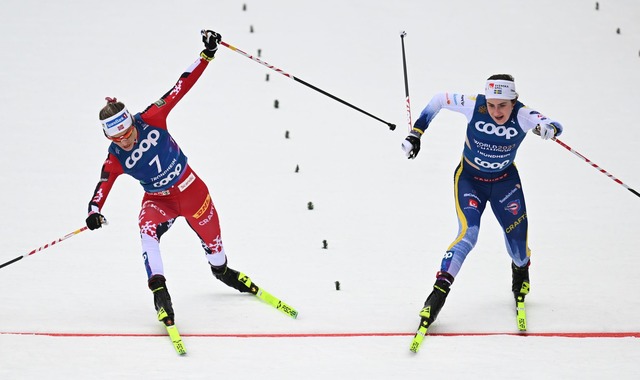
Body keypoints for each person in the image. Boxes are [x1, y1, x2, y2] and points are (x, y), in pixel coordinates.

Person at [86, 30, 263, 327]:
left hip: (191, 191)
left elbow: (180, 86)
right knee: (145, 229)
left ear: (132, 123)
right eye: (118, 138)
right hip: (159, 201)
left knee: (217, 259)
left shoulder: (151, 117)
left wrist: (206, 54)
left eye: (128, 134)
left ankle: (222, 272)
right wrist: (93, 213)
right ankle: (160, 294)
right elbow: (100, 189)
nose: (126, 141)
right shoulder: (114, 158)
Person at [401, 74, 563, 328]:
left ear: (514, 101)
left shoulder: (523, 115)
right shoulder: (473, 103)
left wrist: (548, 129)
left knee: (518, 249)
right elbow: (438, 100)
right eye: (491, 104)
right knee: (468, 234)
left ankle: (520, 271)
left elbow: (552, 124)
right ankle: (438, 293)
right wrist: (416, 133)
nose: (496, 111)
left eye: (503, 105)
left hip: (505, 184)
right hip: (470, 181)